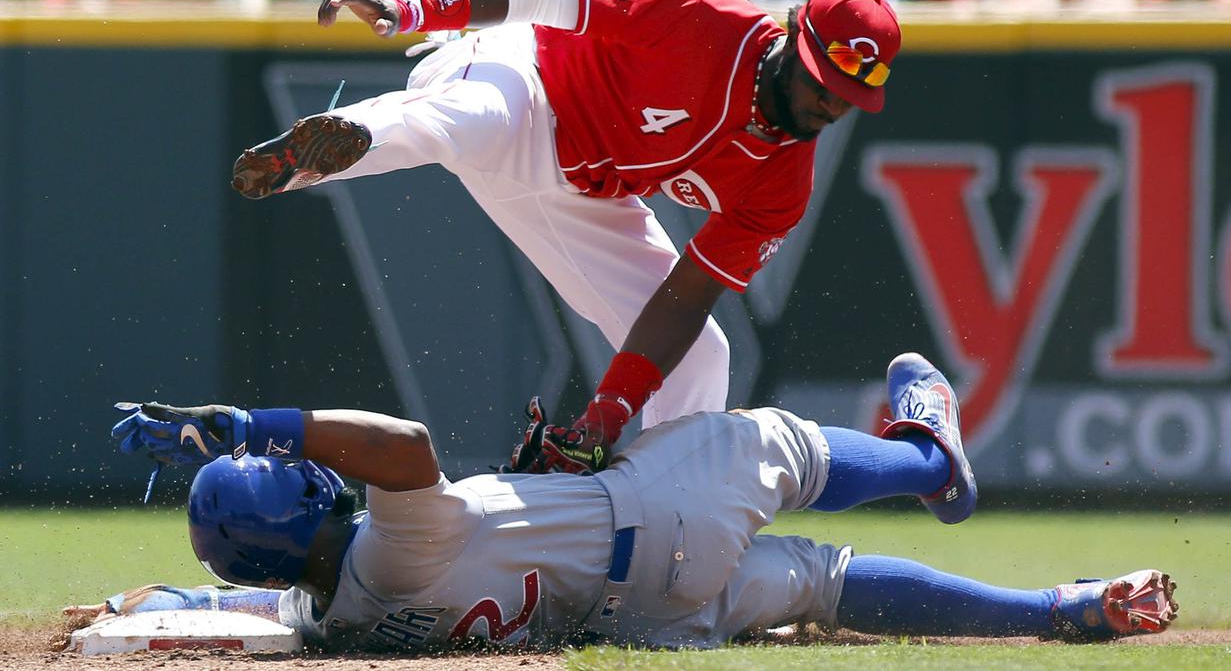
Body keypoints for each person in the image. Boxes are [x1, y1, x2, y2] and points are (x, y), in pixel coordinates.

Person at [229, 0, 901, 473]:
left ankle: (663, 526)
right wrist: (415, 7)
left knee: (703, 356)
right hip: (522, 73)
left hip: (580, 193)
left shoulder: (782, 182)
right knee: (470, 123)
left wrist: (611, 408)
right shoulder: (699, 13)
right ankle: (333, 144)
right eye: (821, 81)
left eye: (848, 96)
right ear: (792, 36)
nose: (829, 105)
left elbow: (689, 294)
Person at [75, 353, 1178, 650]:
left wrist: (146, 609)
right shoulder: (395, 538)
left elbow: (253, 615)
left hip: (645, 617)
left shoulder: (336, 616)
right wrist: (250, 425)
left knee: (823, 586)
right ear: (301, 489)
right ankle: (932, 458)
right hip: (650, 513)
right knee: (775, 442)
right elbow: (404, 448)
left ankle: (1059, 611)